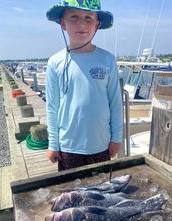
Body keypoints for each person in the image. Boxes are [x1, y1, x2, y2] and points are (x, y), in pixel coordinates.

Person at [45, 0, 123, 171]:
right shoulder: (55, 62)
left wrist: (117, 138)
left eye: (88, 18)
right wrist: (53, 143)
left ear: (97, 24)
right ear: (63, 23)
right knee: (71, 194)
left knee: (102, 194)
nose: (81, 23)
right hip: (68, 146)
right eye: (74, 17)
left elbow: (115, 103)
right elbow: (52, 107)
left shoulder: (107, 60)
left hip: (101, 145)